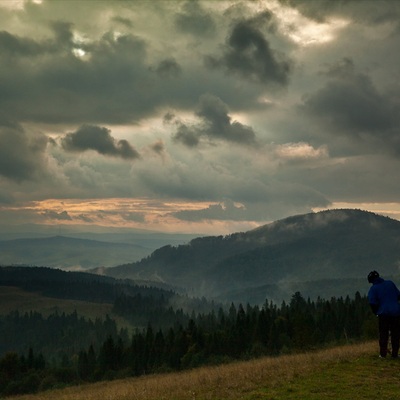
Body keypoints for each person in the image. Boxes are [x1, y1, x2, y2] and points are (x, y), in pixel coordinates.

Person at [367, 270, 400, 358]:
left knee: (383, 334)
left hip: (383, 313)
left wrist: (376, 312)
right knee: (395, 334)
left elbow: (372, 302)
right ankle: (395, 354)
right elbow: (398, 295)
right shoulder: (390, 283)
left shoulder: (374, 288)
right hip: (396, 312)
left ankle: (383, 354)